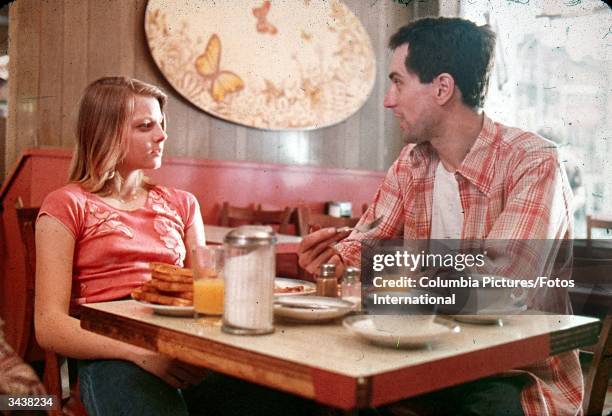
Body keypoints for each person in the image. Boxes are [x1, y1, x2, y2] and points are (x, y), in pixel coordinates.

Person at [298, 18, 581, 416]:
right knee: (317, 397)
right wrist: (330, 262)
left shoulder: (533, 161)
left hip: (510, 373)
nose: (387, 100)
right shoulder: (412, 163)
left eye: (398, 82)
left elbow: (501, 290)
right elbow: (361, 250)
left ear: (443, 88)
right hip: (419, 359)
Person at [35, 77, 310, 416]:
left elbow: (205, 288)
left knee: (293, 392)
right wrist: (142, 354)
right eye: (145, 126)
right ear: (104, 132)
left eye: (161, 125)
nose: (162, 135)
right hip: (111, 354)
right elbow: (48, 325)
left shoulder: (182, 204)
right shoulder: (67, 204)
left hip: (184, 346)